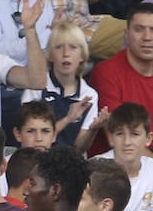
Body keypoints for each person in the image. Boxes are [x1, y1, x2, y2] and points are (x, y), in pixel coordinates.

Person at [89, 3, 153, 152]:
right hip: (117, 162)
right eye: (139, 29)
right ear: (127, 35)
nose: (147, 37)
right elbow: (118, 139)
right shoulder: (106, 72)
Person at [20, 21, 100, 150]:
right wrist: (68, 119)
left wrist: (93, 129)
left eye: (73, 47)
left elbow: (79, 149)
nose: (66, 53)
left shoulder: (89, 95)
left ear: (82, 56)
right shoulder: (36, 86)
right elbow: (31, 138)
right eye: (59, 47)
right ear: (50, 56)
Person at [93, 103, 153, 211]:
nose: (127, 142)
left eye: (135, 134)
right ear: (111, 137)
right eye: (120, 133)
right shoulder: (96, 168)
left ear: (149, 138)